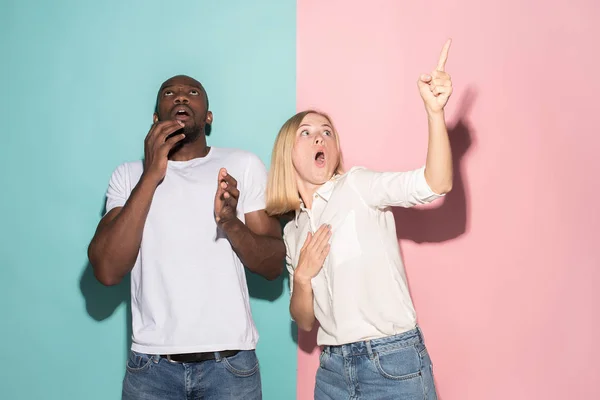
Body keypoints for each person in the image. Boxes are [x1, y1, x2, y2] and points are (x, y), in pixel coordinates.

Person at [265, 40, 454, 399]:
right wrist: (302, 276)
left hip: (392, 362)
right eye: (305, 132)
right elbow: (305, 321)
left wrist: (434, 113)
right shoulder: (293, 230)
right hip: (333, 369)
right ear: (286, 153)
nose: (319, 135)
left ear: (334, 149)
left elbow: (436, 183)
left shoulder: (358, 185)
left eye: (326, 131)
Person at [87, 74, 284, 400]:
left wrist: (230, 222)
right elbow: (106, 269)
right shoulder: (129, 175)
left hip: (230, 367)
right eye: (169, 93)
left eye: (192, 92)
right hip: (151, 368)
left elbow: (274, 265)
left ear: (208, 117)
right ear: (155, 119)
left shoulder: (242, 164)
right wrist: (152, 174)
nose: (180, 97)